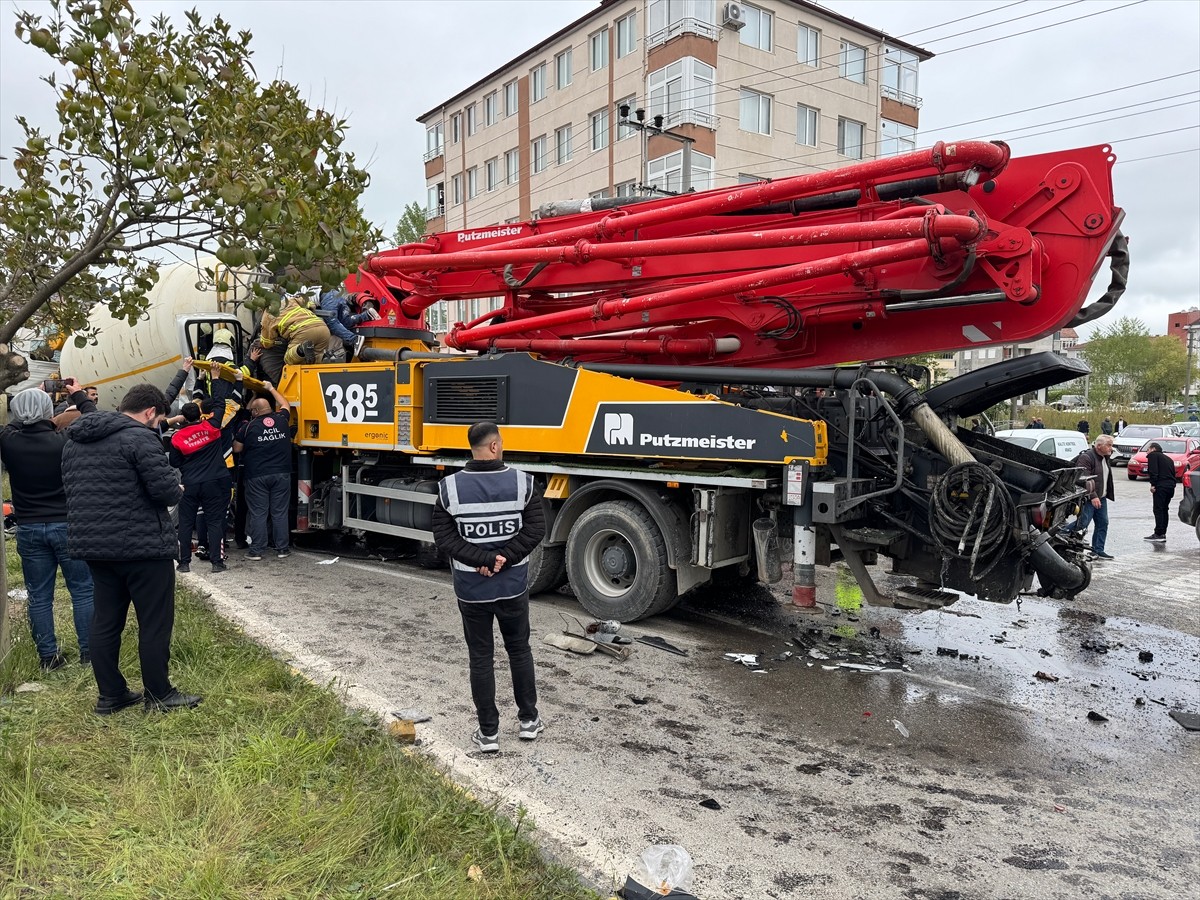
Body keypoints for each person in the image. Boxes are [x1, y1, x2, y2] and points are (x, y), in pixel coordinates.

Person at [61, 383, 201, 715]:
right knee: (154, 622)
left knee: (106, 621)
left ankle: (111, 695)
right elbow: (165, 491)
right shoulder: (140, 438)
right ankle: (159, 694)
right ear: (151, 412)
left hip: (95, 547)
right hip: (143, 548)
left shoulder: (75, 442)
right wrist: (177, 487)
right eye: (158, 420)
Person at [432, 421, 546, 754]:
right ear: (495, 446)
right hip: (512, 586)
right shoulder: (523, 483)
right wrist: (504, 559)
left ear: (473, 447)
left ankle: (489, 734)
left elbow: (445, 537)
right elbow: (536, 529)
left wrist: (481, 559)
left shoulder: (448, 488)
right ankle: (528, 722)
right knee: (519, 650)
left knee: (481, 658)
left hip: (471, 589)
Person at [0, 381, 96, 670]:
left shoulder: (8, 440)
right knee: (82, 590)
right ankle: (89, 654)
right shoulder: (64, 440)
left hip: (28, 527)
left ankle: (48, 657)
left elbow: (11, 422)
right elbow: (91, 418)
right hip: (67, 523)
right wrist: (77, 394)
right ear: (48, 411)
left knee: (39, 595)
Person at [170, 363, 244, 573]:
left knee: (185, 523)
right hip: (216, 481)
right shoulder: (212, 426)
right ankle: (217, 563)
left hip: (191, 483)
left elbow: (174, 463)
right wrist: (216, 377)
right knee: (215, 521)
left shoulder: (177, 438)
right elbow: (220, 403)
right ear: (200, 413)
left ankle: (184, 563)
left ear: (184, 417)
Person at [233, 380, 295, 560]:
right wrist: (270, 388)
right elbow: (285, 404)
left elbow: (236, 448)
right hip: (282, 474)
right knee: (279, 512)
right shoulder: (282, 419)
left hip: (257, 476)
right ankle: (282, 549)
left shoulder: (248, 427)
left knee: (259, 513)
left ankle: (257, 551)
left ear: (255, 412)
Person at [1063, 434, 1116, 560]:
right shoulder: (1086, 457)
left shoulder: (1105, 457)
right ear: (1098, 446)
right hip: (1088, 498)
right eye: (1109, 445)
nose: (1111, 448)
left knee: (1103, 523)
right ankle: (1060, 534)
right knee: (1083, 523)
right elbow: (1083, 479)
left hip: (1101, 497)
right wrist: (1093, 496)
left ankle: (1098, 550)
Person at [259, 289, 331, 379]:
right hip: (322, 327)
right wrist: (311, 308)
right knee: (316, 357)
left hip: (303, 331)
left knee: (289, 359)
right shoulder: (291, 301)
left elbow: (267, 343)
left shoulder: (267, 315)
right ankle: (326, 359)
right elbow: (308, 301)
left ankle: (301, 349)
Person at [319, 289, 380, 359]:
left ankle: (354, 340)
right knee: (344, 323)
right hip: (337, 295)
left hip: (327, 297)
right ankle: (367, 315)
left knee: (332, 323)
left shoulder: (304, 297)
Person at [1143, 442, 1175, 542]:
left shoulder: (1153, 456)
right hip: (1170, 487)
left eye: (1148, 449)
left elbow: (1153, 471)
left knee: (1158, 509)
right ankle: (1163, 533)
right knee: (1165, 509)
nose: (1147, 452)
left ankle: (1158, 533)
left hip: (1161, 486)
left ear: (1153, 449)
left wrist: (1153, 484)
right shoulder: (1168, 458)